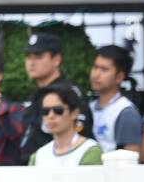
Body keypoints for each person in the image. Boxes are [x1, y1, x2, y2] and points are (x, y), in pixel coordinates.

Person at [18, 31, 90, 162]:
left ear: (56, 60)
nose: (31, 62)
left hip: (59, 169)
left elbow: (80, 136)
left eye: (38, 56)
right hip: (31, 169)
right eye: (28, 56)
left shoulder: (70, 94)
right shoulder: (35, 96)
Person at [88, 45, 143, 155]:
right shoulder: (88, 107)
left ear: (119, 77)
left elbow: (132, 160)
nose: (96, 74)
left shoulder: (126, 112)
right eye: (95, 67)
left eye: (104, 69)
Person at [29, 84, 102, 166]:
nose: (51, 116)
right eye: (45, 111)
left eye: (58, 110)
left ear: (75, 113)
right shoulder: (38, 156)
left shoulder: (90, 150)